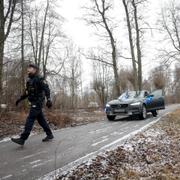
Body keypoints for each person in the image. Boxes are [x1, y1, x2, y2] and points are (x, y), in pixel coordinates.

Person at [11, 64, 54, 145]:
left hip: (38, 103)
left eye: (30, 68)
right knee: (41, 120)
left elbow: (46, 88)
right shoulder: (29, 81)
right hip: (33, 102)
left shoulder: (40, 79)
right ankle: (49, 134)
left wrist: (48, 99)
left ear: (35, 70)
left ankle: (22, 139)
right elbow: (27, 93)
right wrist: (19, 99)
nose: (28, 69)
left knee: (30, 119)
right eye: (28, 68)